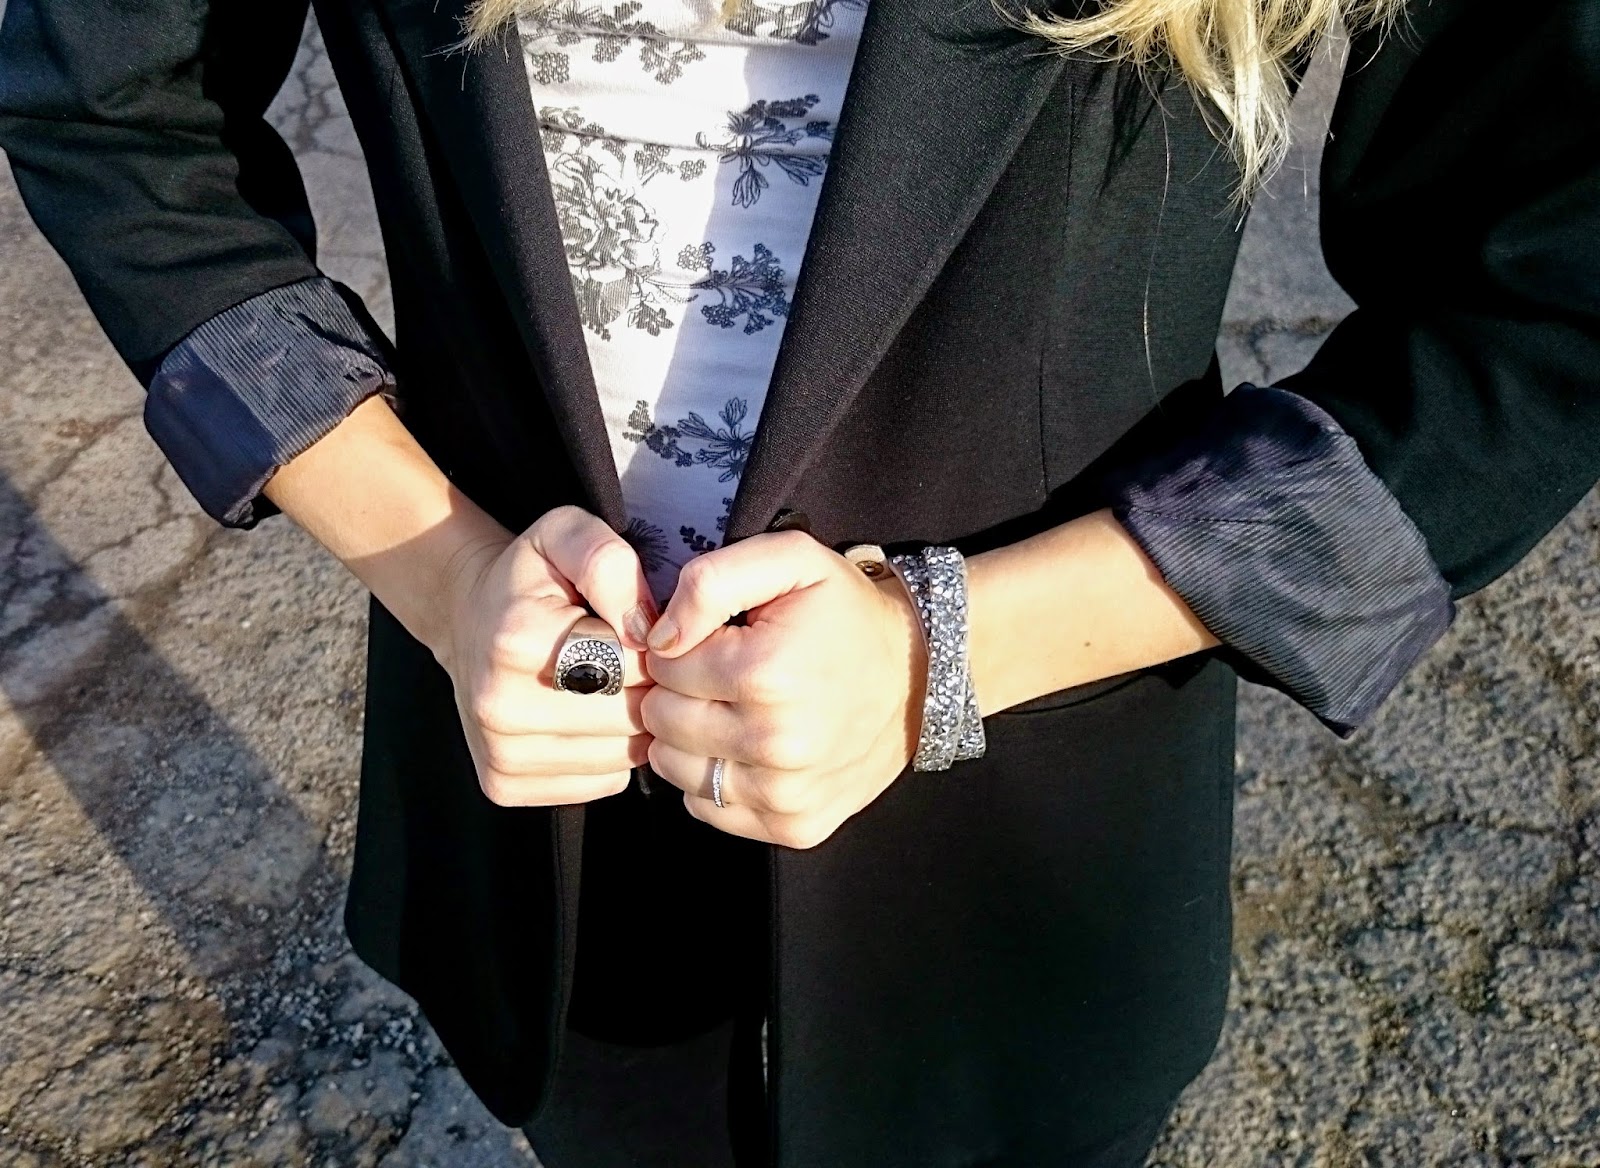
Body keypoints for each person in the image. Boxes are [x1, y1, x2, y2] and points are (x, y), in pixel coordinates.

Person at [1, 0, 1595, 1163]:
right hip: (551, 842)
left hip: (1021, 859)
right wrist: (444, 570)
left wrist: (952, 650)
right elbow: (105, 110)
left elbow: (1549, 293)